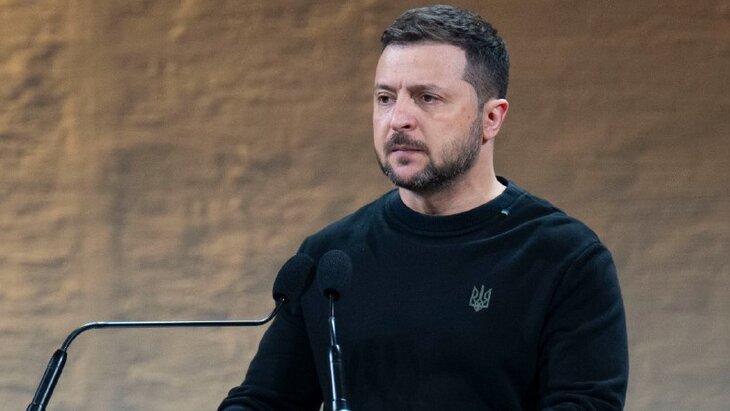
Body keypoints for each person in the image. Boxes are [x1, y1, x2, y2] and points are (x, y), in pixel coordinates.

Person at [219, 4, 628, 410]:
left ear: (491, 119)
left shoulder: (565, 259)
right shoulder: (330, 259)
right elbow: (263, 400)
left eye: (427, 98)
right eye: (385, 98)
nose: (398, 119)